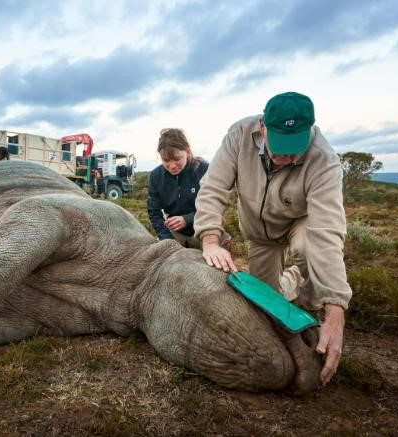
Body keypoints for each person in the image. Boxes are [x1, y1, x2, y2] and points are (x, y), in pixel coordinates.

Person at [194, 91, 352, 386]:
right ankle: (292, 280)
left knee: (308, 249)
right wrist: (210, 239)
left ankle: (311, 301)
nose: (283, 158)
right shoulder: (239, 135)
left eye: (293, 150)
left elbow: (327, 231)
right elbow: (213, 188)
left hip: (299, 223)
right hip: (259, 232)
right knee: (267, 304)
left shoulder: (324, 160)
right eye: (278, 147)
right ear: (263, 126)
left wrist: (336, 308)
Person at [147, 128, 209, 249]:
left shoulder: (204, 170)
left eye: (177, 158)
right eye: (166, 160)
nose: (172, 165)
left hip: (204, 229)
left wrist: (188, 219)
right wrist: (167, 240)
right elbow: (154, 212)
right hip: (174, 234)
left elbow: (214, 206)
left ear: (187, 151)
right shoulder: (155, 176)